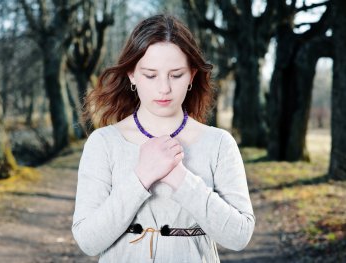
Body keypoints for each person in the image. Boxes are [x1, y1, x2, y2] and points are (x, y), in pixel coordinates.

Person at [72, 14, 255, 263]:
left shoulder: (219, 144)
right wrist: (142, 177)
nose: (164, 88)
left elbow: (239, 236)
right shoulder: (103, 142)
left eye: (176, 74)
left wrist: (180, 177)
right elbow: (88, 241)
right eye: (150, 75)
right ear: (132, 75)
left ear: (191, 76)